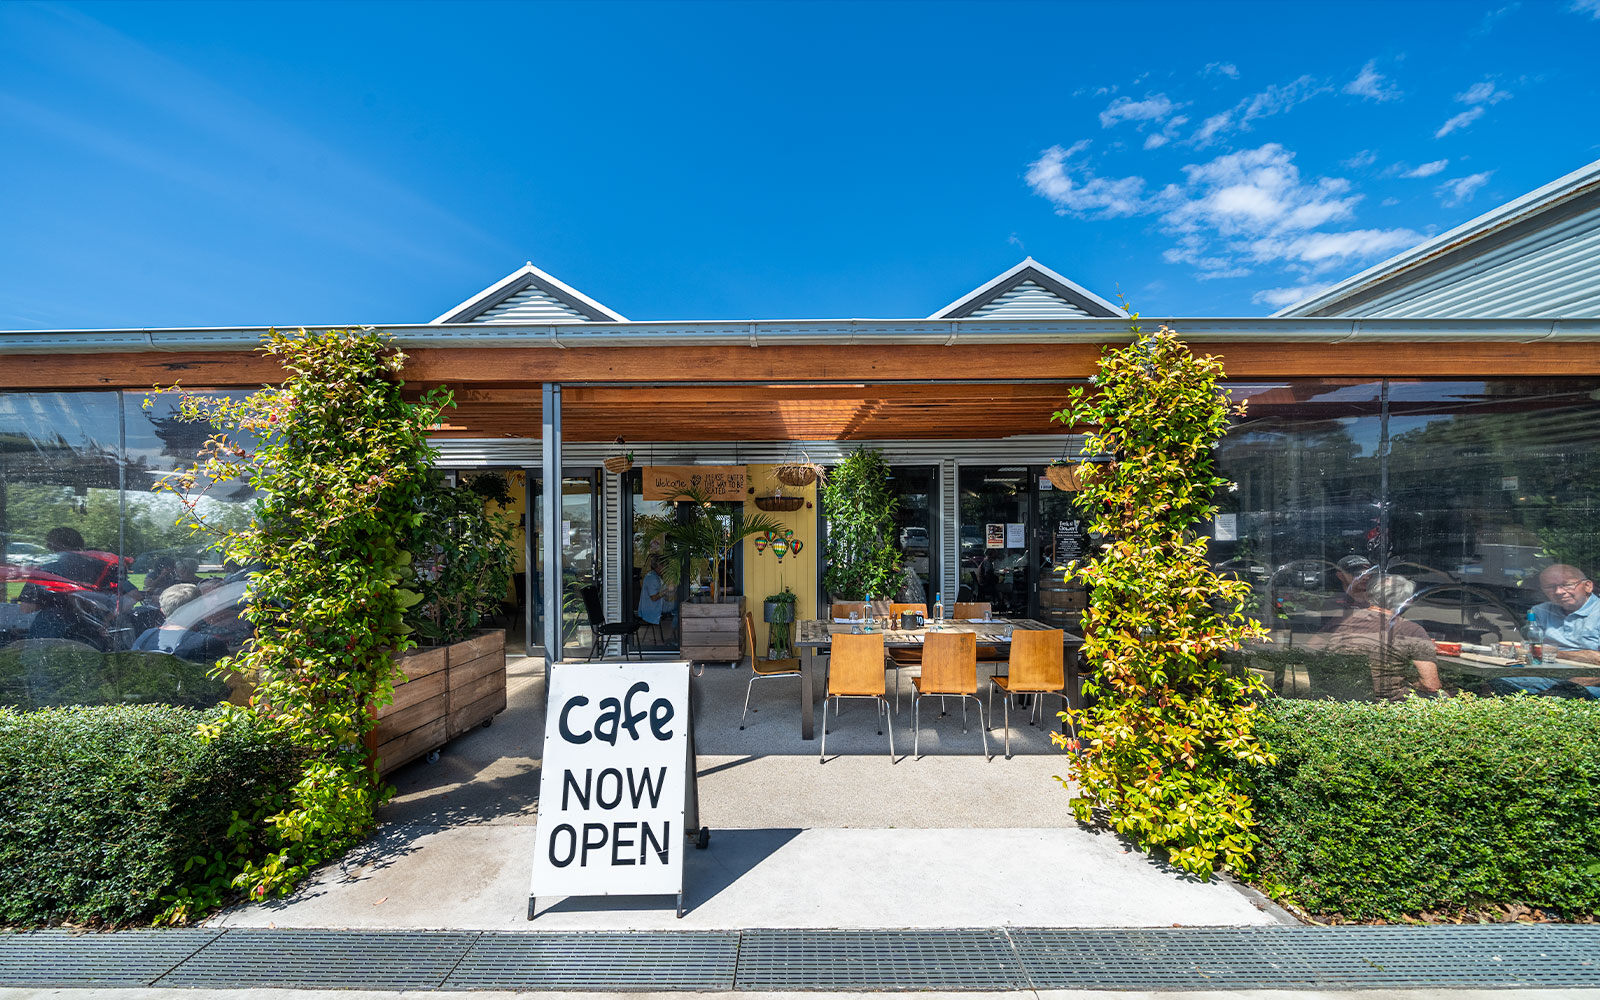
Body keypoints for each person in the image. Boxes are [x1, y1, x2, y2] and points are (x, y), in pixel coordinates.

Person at [1318, 572, 1443, 700]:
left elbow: (1313, 647)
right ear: (1408, 602)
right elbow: (1431, 686)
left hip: (1337, 698)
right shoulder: (1412, 631)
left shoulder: (1342, 620)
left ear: (1368, 596)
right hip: (1387, 705)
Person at [1489, 564, 1600, 699]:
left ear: (1588, 586)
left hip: (1590, 682)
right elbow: (1531, 654)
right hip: (1548, 677)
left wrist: (1553, 654)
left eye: (1567, 584)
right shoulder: (1540, 611)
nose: (1559, 591)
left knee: (1573, 693)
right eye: (1550, 587)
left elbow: (1538, 651)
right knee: (1498, 679)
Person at [636, 558, 675, 634]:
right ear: (658, 566)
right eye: (664, 565)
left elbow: (664, 594)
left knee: (679, 604)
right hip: (653, 608)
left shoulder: (656, 576)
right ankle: (674, 635)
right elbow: (654, 598)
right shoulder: (651, 578)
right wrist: (667, 590)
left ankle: (674, 635)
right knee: (680, 606)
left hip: (658, 605)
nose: (665, 567)